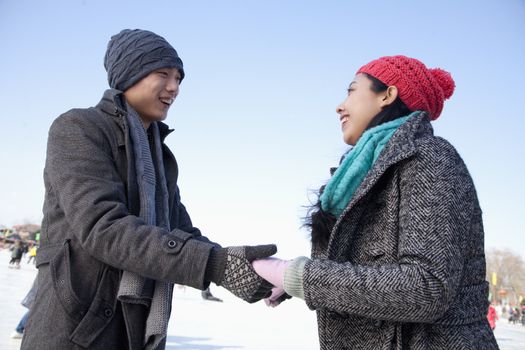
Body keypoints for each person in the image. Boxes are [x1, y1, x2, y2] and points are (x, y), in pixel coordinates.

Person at [21, 29, 276, 350]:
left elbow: (182, 230)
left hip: (132, 326)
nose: (175, 87)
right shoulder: (78, 128)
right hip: (76, 324)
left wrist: (258, 268)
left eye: (179, 78)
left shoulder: (160, 157)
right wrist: (215, 264)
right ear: (130, 74)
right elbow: (104, 228)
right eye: (163, 74)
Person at [252, 55, 499, 349]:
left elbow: (428, 286)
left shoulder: (430, 158)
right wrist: (297, 283)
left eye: (352, 90)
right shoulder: (366, 175)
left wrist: (299, 275)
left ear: (388, 94)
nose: (340, 105)